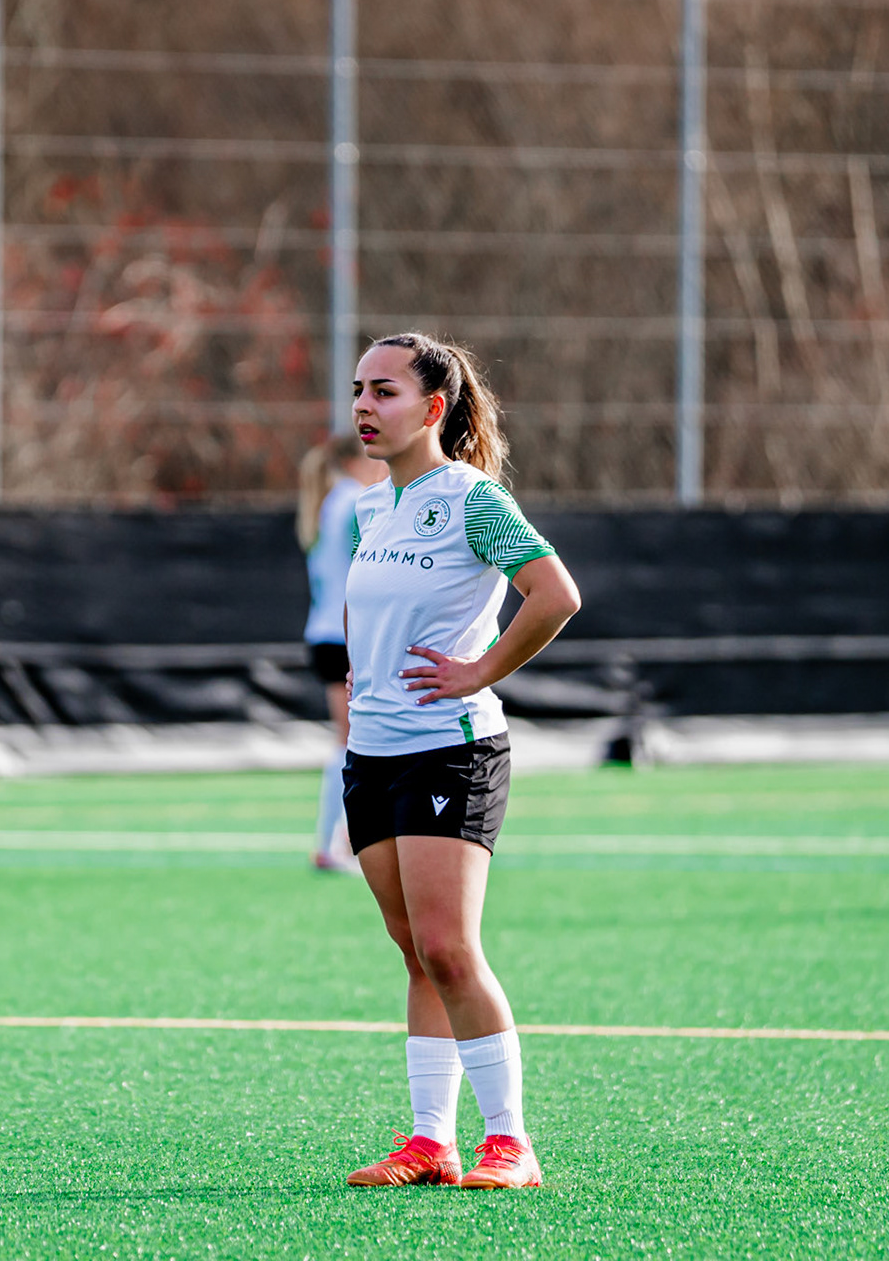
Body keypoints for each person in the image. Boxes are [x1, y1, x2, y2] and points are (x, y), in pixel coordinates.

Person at [337, 333, 581, 1191]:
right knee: (414, 951)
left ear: (433, 408)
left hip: (451, 752)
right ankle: (429, 1142)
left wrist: (480, 669)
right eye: (359, 389)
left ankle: (510, 1143)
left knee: (449, 945)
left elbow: (555, 594)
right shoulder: (372, 506)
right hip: (373, 759)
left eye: (386, 392)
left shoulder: (472, 499)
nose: (365, 405)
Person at [297, 434, 388, 873]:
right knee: (352, 744)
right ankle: (336, 843)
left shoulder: (331, 500)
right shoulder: (356, 502)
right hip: (344, 637)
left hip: (327, 635)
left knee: (351, 741)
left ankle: (338, 842)